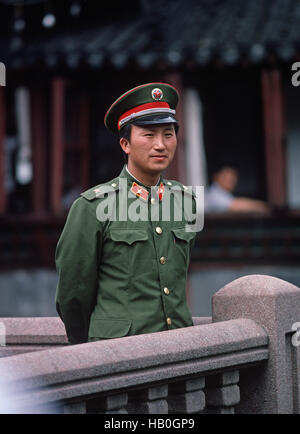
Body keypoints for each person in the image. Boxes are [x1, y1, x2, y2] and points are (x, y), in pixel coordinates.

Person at [55, 82, 197, 345]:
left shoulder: (184, 202)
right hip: (120, 351)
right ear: (125, 144)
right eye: (149, 135)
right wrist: (90, 348)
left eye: (168, 134)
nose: (160, 145)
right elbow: (72, 295)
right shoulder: (93, 207)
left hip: (180, 347)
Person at [205, 166, 270, 214]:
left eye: (232, 179)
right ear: (216, 177)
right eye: (226, 177)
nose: (230, 181)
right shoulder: (214, 193)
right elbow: (236, 205)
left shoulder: (224, 193)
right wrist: (263, 206)